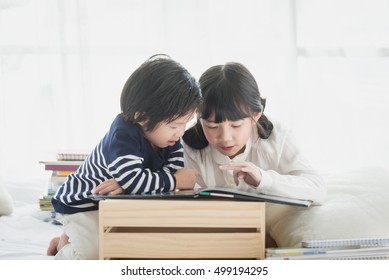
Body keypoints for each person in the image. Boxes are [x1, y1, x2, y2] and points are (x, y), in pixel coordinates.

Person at [47, 54, 202, 259]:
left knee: (135, 246)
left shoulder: (170, 139)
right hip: (83, 203)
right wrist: (169, 180)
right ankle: (64, 248)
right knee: (94, 254)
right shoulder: (123, 134)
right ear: (141, 116)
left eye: (185, 124)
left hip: (117, 203)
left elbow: (159, 180)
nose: (180, 132)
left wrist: (131, 185)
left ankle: (69, 238)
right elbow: (171, 179)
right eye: (174, 125)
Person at [182, 62, 326, 206]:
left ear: (255, 116)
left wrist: (264, 180)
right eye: (212, 126)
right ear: (200, 119)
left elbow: (317, 189)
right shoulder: (187, 148)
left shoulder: (277, 137)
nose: (225, 138)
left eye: (236, 125)